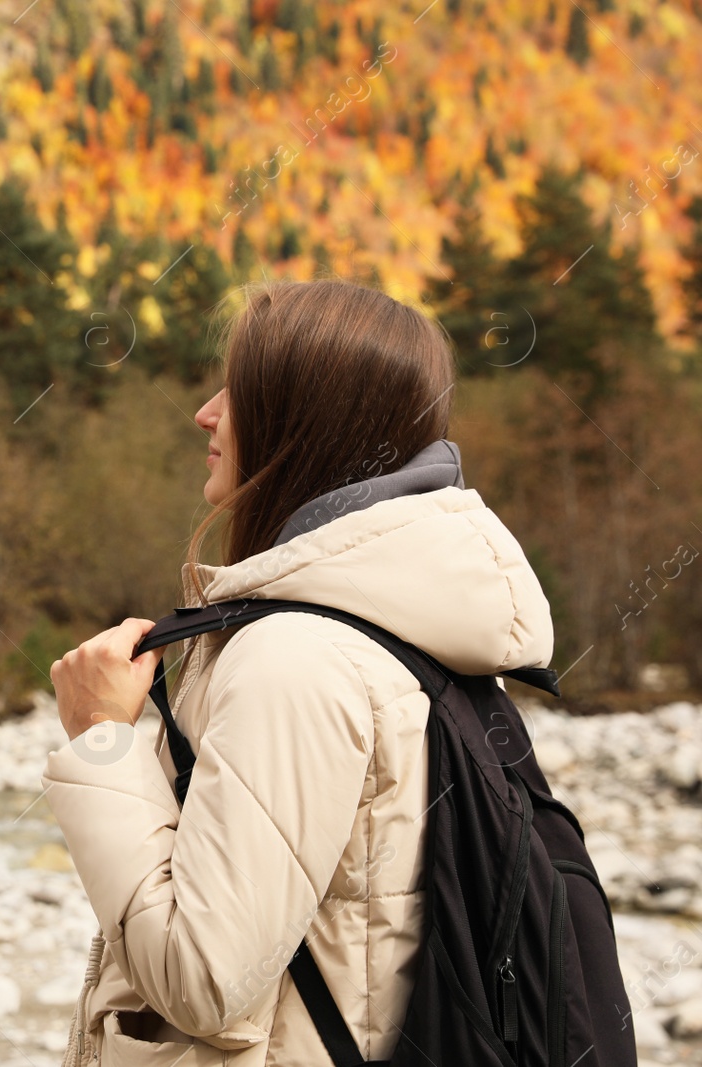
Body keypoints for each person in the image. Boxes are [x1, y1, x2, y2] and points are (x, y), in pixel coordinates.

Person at [45, 278, 554, 1065]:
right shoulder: (386, 626)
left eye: (237, 392)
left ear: (305, 421)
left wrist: (103, 741)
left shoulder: (298, 657)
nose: (206, 413)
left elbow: (206, 980)